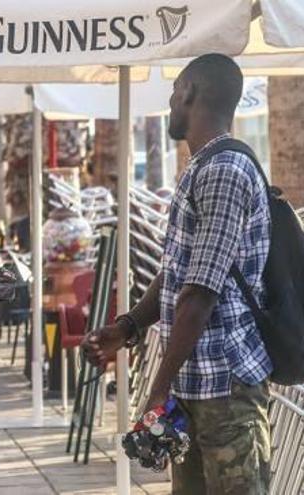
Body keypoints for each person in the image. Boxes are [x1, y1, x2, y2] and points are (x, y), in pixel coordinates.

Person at [83, 54, 272, 494]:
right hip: (196, 387)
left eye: (172, 92)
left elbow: (199, 294)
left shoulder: (224, 171)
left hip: (225, 389)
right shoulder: (202, 169)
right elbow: (177, 274)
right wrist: (127, 326)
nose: (169, 103)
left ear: (187, 91)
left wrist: (156, 390)